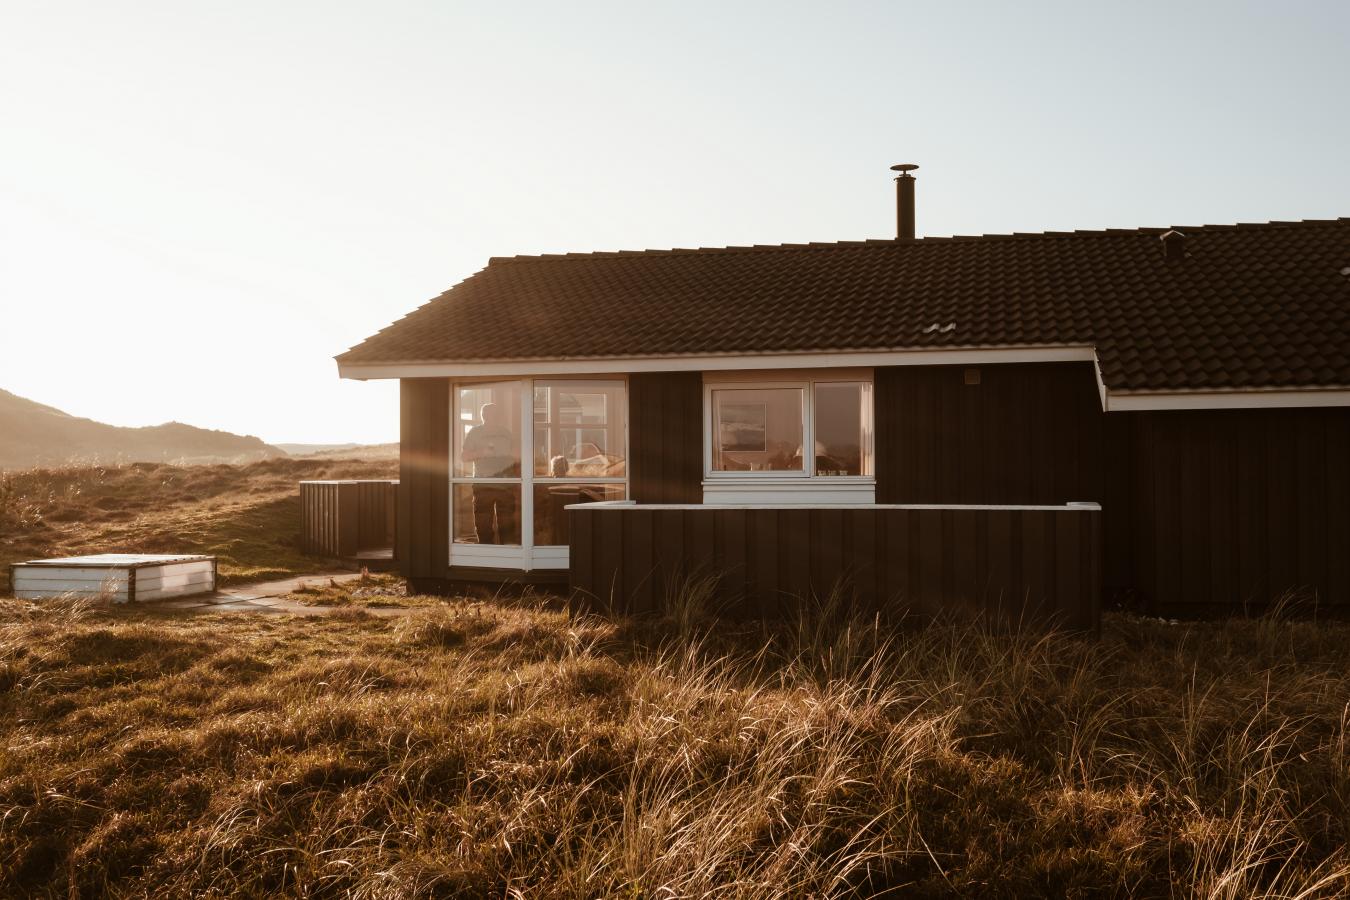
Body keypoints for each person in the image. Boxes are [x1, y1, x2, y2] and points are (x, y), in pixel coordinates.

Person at [461, 403, 519, 544]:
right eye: (491, 414)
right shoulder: (475, 432)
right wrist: (482, 453)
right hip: (483, 484)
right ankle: (486, 555)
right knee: (483, 525)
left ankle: (507, 556)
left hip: (505, 484)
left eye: (496, 414)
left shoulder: (506, 433)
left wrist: (510, 455)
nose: (495, 416)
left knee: (507, 525)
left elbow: (518, 456)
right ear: (484, 416)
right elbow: (464, 457)